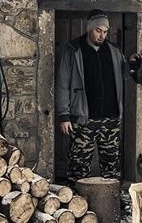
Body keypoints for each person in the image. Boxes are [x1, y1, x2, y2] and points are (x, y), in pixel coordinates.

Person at [55, 9, 131, 182]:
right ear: (89, 28)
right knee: (78, 169)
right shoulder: (73, 50)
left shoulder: (114, 50)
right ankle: (77, 205)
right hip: (83, 121)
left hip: (111, 120)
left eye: (105, 32)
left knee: (111, 169)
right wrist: (63, 116)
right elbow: (62, 84)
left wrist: (133, 62)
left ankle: (110, 204)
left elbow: (127, 73)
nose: (102, 36)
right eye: (98, 31)